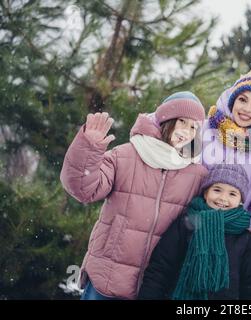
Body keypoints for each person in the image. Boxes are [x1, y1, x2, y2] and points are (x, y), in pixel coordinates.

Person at [60, 91, 208, 299]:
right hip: (107, 279)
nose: (187, 130)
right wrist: (88, 148)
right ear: (166, 121)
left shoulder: (196, 174)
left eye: (194, 126)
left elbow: (217, 213)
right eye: (182, 121)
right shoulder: (126, 155)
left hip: (154, 287)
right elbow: (83, 188)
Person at [138, 164, 251, 300]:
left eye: (232, 194)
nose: (223, 198)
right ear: (205, 193)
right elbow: (160, 269)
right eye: (217, 190)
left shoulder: (246, 239)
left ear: (241, 201)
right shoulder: (186, 224)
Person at [202, 67, 251, 270]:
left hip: (230, 238)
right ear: (232, 100)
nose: (247, 109)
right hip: (192, 225)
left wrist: (241, 235)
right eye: (242, 99)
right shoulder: (205, 131)